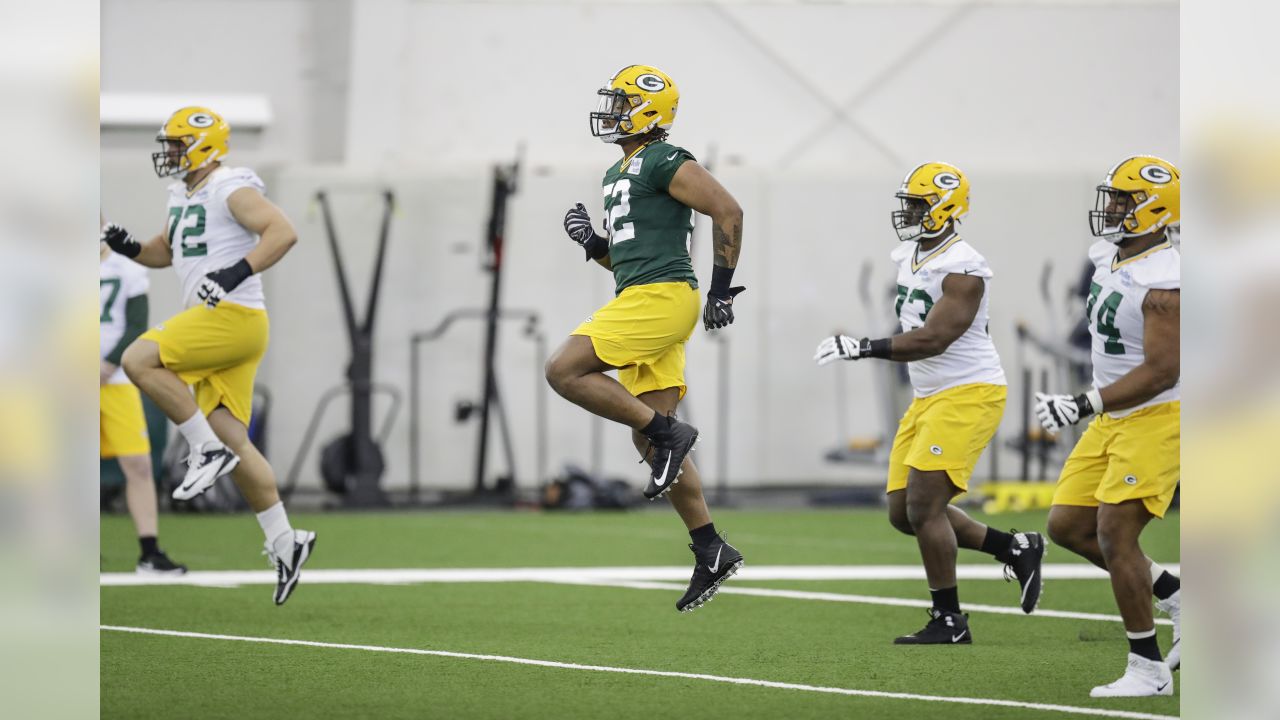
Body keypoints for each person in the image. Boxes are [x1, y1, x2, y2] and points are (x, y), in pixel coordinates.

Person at [814, 162, 1044, 644]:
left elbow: (935, 338)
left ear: (945, 208)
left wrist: (864, 347)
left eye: (920, 205)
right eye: (910, 204)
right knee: (903, 513)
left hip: (969, 393)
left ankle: (949, 619)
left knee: (924, 505)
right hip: (929, 396)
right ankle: (1013, 547)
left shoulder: (964, 267)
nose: (911, 213)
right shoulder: (912, 254)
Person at [545, 65, 745, 612]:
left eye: (620, 103)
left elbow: (727, 209)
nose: (610, 112)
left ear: (648, 110)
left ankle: (671, 432)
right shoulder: (618, 171)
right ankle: (711, 548)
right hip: (642, 292)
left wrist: (721, 290)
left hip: (662, 297)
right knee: (650, 442)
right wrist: (594, 244)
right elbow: (629, 265)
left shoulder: (664, 158)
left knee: (563, 370)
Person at [100, 107, 315, 605]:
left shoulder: (229, 186)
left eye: (176, 144)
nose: (169, 153)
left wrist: (236, 273)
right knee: (233, 439)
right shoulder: (186, 192)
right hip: (231, 324)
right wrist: (128, 245)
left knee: (138, 360)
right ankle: (286, 540)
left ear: (203, 146)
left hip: (231, 318)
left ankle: (203, 451)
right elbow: (166, 251)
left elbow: (282, 231)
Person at [1037, 155, 1182, 697]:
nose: (1113, 208)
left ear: (1155, 208)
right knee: (1068, 525)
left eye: (1125, 200)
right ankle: (1174, 591)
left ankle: (1147, 669)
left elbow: (1163, 371)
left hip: (1157, 416)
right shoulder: (1111, 256)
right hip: (1115, 416)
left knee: (1116, 533)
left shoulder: (1167, 280)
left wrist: (1082, 402)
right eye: (1114, 197)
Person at [100, 221, 186, 574]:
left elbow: (137, 323)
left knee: (137, 465)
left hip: (115, 380)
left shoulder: (126, 266)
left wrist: (108, 363)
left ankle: (149, 551)